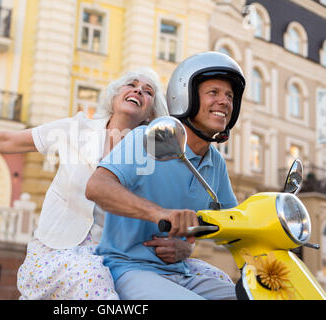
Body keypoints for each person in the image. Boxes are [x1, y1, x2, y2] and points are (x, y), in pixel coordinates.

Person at [0, 67, 198, 300]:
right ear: (114, 96)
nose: (138, 90)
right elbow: (8, 140)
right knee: (92, 279)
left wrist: (187, 247)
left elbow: (179, 209)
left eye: (148, 91)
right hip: (59, 249)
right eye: (131, 85)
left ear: (151, 114)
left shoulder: (155, 154)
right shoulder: (74, 130)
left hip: (118, 256)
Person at [85, 51, 246, 300]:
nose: (224, 102)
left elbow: (233, 224)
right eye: (213, 93)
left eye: (229, 96)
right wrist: (159, 214)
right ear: (185, 97)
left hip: (179, 273)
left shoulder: (216, 164)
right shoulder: (148, 139)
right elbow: (97, 186)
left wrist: (188, 243)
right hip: (128, 268)